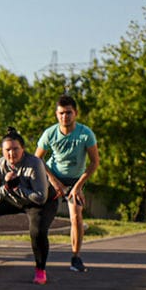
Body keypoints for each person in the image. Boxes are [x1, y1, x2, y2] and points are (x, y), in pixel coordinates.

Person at [0, 128, 59, 285]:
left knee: (37, 230)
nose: (12, 154)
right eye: (8, 150)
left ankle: (40, 269)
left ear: (23, 149)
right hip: (12, 198)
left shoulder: (34, 163)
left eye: (15, 149)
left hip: (41, 202)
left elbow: (40, 197)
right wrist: (5, 188)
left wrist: (18, 187)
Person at [35, 94, 98, 272]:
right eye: (61, 113)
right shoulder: (50, 133)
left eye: (68, 113)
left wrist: (78, 186)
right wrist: (54, 181)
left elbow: (95, 162)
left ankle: (75, 257)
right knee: (42, 219)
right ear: (56, 114)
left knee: (76, 216)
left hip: (75, 180)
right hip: (54, 178)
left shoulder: (85, 134)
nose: (65, 117)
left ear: (75, 113)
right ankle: (40, 261)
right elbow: (37, 159)